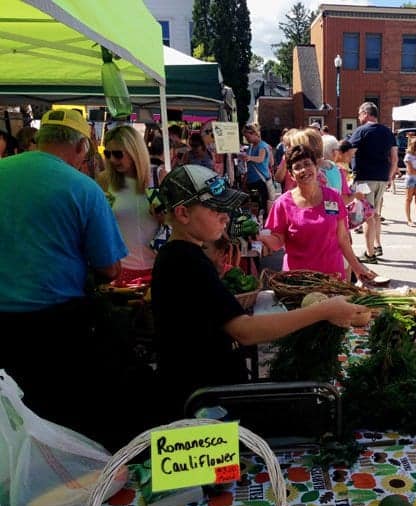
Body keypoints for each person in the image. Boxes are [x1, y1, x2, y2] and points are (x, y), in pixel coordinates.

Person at [152, 163, 370, 419]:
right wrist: (323, 311)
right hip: (202, 406)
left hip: (209, 394)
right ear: (183, 214)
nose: (225, 216)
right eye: (215, 209)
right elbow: (245, 331)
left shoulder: (183, 255)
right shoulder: (185, 262)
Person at [0, 109, 134, 450]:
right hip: (56, 324)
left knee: (11, 417)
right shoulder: (83, 188)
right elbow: (110, 268)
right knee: (60, 418)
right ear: (80, 147)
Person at [259, 144, 376, 282]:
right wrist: (260, 237)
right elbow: (277, 242)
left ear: (316, 167)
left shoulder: (333, 197)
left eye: (308, 164)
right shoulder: (283, 204)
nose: (304, 170)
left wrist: (357, 267)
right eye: (297, 167)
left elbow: (343, 238)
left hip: (332, 276)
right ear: (291, 174)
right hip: (298, 279)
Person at [96, 125, 159, 286]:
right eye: (108, 154)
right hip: (120, 269)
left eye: (118, 154)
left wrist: (165, 215)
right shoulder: (104, 181)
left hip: (158, 267)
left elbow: (178, 222)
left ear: (135, 151)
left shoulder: (158, 177)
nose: (112, 160)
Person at [348, 102, 398, 264]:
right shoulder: (387, 132)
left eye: (359, 114)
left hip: (365, 178)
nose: (358, 117)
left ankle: (370, 254)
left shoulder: (360, 131)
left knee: (367, 216)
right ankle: (377, 245)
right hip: (382, 177)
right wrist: (390, 176)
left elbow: (349, 151)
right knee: (375, 213)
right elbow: (395, 157)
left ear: (365, 113)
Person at [238, 123, 272, 216]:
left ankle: (263, 224)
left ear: (254, 133)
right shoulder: (251, 146)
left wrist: (249, 157)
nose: (247, 139)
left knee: (262, 205)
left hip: (260, 181)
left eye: (247, 136)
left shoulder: (262, 146)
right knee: (254, 204)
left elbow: (260, 159)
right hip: (251, 181)